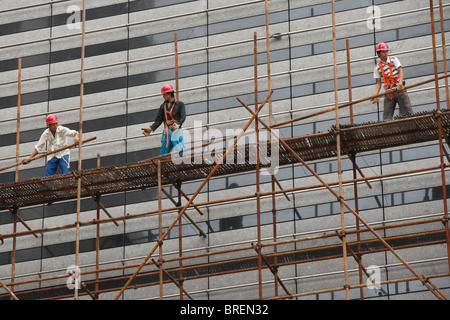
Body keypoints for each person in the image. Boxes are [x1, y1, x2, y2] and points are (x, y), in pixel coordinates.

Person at [370, 42, 413, 120]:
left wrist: (400, 84)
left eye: (386, 51)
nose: (385, 53)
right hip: (389, 92)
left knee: (407, 112)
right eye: (383, 52)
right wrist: (376, 94)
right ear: (379, 53)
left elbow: (400, 71)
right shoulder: (377, 67)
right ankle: (388, 131)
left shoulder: (393, 60)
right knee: (387, 116)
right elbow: (378, 82)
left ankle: (412, 129)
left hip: (399, 89)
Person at [141, 84, 186, 156]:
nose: (163, 96)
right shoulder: (163, 106)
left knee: (180, 150)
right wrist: (151, 128)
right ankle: (162, 166)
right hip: (167, 131)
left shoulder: (180, 104)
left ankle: (185, 163)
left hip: (176, 130)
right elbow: (158, 120)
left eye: (164, 94)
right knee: (163, 153)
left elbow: (183, 117)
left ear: (169, 94)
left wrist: (177, 124)